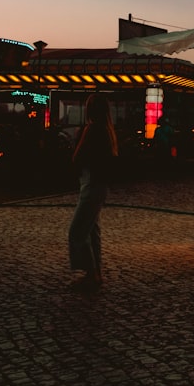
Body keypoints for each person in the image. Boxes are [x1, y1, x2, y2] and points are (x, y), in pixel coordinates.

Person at [68, 93, 118, 291]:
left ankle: (90, 272)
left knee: (77, 231)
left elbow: (77, 157)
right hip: (100, 185)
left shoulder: (91, 129)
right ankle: (96, 271)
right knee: (92, 230)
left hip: (90, 183)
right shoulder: (108, 131)